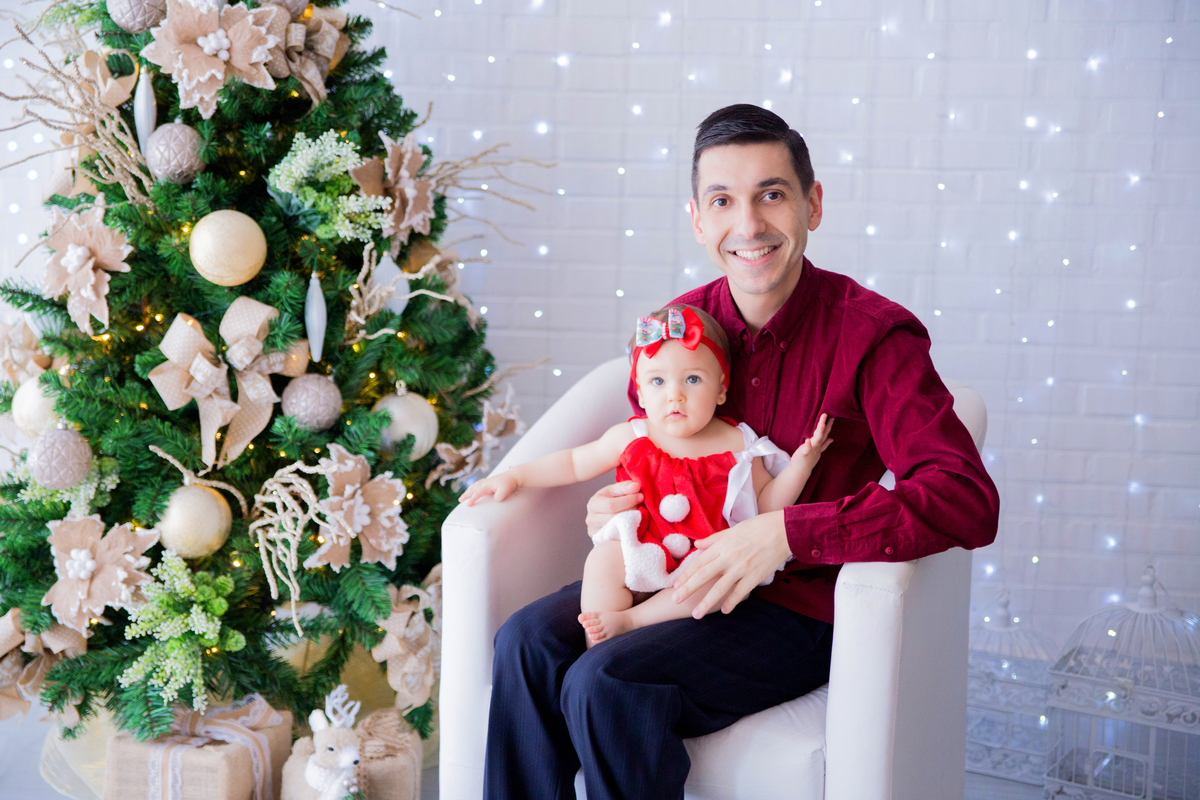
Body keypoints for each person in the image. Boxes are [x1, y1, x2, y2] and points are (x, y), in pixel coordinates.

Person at [484, 104, 1000, 800]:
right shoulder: (679, 327)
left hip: (792, 610)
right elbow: (647, 451)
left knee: (607, 681)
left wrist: (786, 531)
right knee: (525, 643)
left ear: (812, 205)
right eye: (723, 200)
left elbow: (964, 499)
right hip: (672, 578)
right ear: (698, 219)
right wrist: (615, 507)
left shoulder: (875, 338)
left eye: (772, 195)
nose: (749, 225)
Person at [459, 304, 835, 645]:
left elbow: (767, 504)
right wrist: (515, 476)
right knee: (603, 561)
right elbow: (574, 462)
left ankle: (631, 621)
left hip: (698, 560)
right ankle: (598, 647)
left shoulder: (740, 445)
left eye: (692, 380)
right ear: (639, 391)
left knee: (717, 582)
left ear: (721, 388)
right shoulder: (632, 435)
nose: (675, 396)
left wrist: (802, 464)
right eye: (658, 382)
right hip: (639, 550)